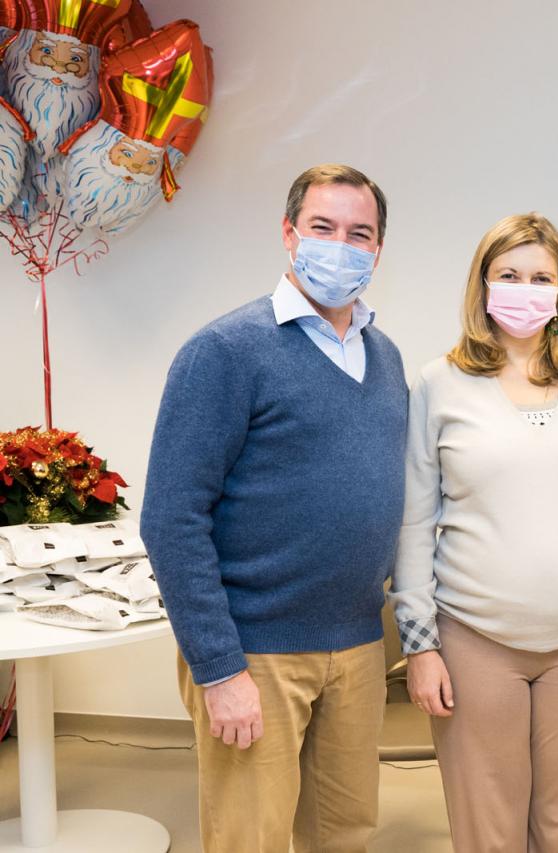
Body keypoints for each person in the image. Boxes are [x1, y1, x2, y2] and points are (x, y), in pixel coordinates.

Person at [141, 164, 407, 853]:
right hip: (254, 652)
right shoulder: (225, 352)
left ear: (378, 250)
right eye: (323, 228)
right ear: (289, 234)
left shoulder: (384, 358)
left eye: (360, 233)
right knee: (248, 838)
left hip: (355, 643)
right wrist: (219, 668)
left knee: (345, 833)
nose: (340, 246)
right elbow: (171, 518)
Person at [390, 212, 558, 852]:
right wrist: (419, 645)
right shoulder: (439, 383)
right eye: (508, 274)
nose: (525, 288)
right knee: (489, 828)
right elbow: (413, 521)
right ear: (482, 287)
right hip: (474, 636)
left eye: (541, 276)